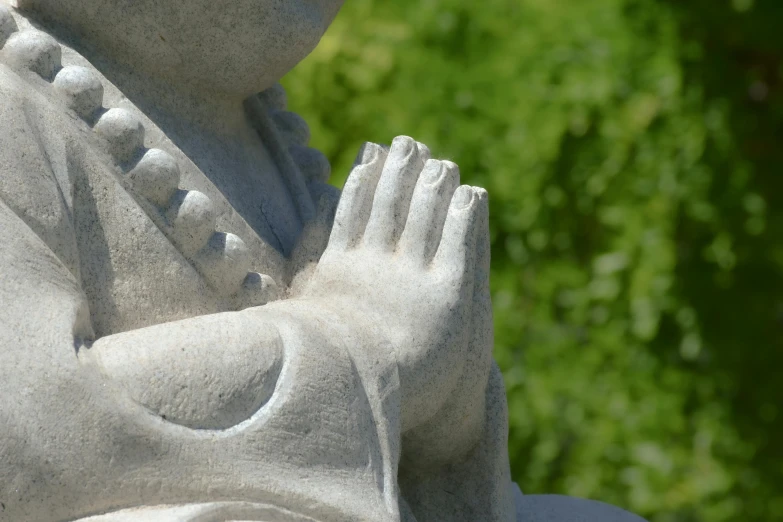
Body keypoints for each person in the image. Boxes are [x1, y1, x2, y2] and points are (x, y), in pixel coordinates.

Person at [0, 1, 647, 521]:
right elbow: (30, 438)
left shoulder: (262, 131)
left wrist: (447, 397)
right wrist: (363, 341)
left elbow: (417, 462)